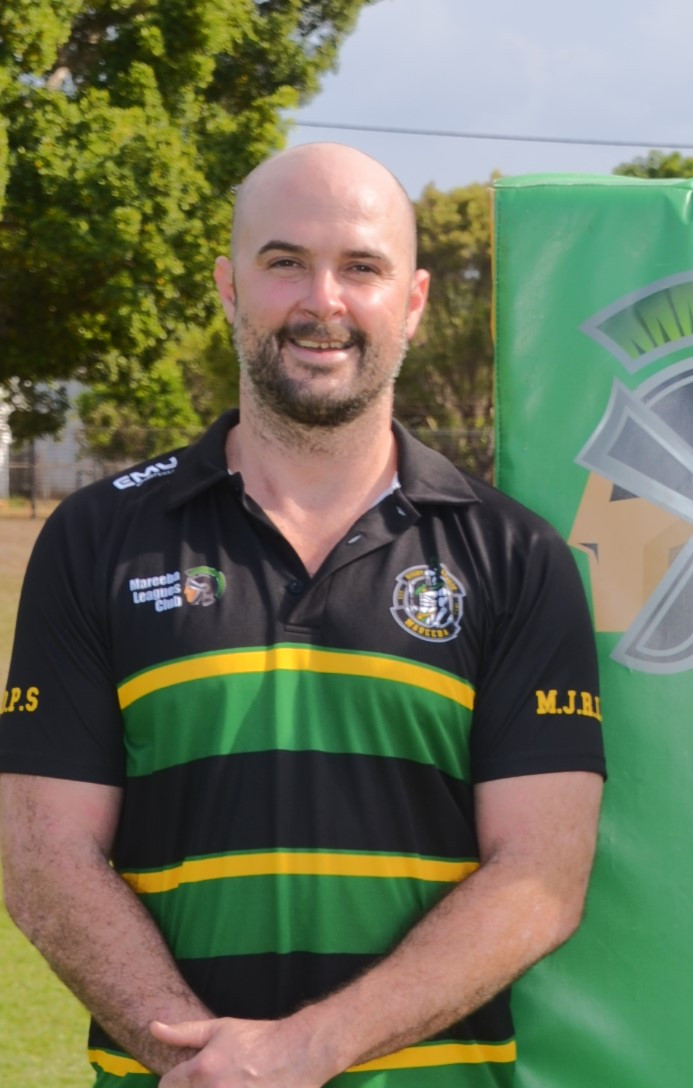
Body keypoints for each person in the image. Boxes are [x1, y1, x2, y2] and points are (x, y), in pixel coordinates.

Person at [0, 143, 606, 1087]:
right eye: (285, 263)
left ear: (413, 300)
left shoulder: (519, 559)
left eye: (361, 267)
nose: (323, 301)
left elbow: (541, 878)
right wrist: (202, 1066)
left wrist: (301, 1053)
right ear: (228, 288)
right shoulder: (97, 539)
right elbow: (44, 860)